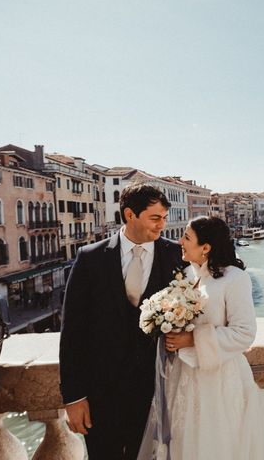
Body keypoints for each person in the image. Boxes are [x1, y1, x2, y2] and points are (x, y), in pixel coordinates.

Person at [138, 216, 264, 459]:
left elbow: (244, 333)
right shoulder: (188, 276)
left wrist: (191, 340)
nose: (180, 241)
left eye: (187, 237)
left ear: (205, 247)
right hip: (185, 378)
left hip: (220, 380)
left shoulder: (235, 278)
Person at [59, 184, 185, 459]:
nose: (162, 224)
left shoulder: (176, 255)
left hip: (157, 395)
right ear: (130, 214)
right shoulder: (90, 258)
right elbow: (72, 332)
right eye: (155, 218)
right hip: (101, 396)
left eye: (164, 217)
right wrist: (74, 397)